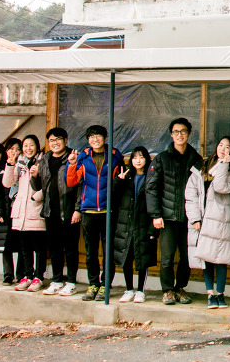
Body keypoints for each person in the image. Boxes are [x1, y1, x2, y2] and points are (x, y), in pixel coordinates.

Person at [147, 117, 204, 305]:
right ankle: (167, 290)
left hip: (190, 217)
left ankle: (180, 288)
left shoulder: (195, 159)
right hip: (167, 217)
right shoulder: (161, 158)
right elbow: (151, 188)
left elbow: (202, 189)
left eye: (183, 131)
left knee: (187, 257)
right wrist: (156, 215)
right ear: (171, 135)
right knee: (167, 257)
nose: (180, 135)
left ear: (189, 133)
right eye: (176, 132)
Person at [66, 125, 125, 302]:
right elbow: (71, 182)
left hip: (108, 210)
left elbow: (121, 181)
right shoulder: (83, 157)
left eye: (98, 136)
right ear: (88, 140)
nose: (95, 139)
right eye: (91, 137)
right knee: (91, 251)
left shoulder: (115, 156)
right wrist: (72, 164)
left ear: (105, 137)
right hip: (89, 210)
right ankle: (93, 284)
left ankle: (105, 285)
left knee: (108, 251)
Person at [186, 137, 230, 309]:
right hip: (202, 219)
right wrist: (195, 218)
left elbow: (220, 187)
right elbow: (190, 194)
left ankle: (220, 294)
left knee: (221, 258)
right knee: (206, 258)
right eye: (221, 145)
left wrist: (224, 164)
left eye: (227, 147)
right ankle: (210, 294)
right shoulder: (202, 167)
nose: (223, 149)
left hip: (221, 221)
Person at [34, 128, 81, 296]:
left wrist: (77, 209)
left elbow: (80, 185)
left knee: (70, 247)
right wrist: (34, 176)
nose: (55, 143)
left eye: (58, 139)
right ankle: (56, 280)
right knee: (54, 247)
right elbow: (38, 186)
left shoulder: (73, 157)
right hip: (50, 209)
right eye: (51, 140)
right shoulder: (44, 159)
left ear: (66, 140)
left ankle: (71, 282)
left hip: (68, 209)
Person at [113, 147, 158, 303]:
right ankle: (128, 289)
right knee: (126, 258)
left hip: (143, 224)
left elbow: (155, 203)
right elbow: (113, 197)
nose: (138, 161)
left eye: (141, 157)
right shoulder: (126, 177)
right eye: (134, 157)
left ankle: (140, 291)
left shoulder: (151, 177)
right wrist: (118, 181)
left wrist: (153, 229)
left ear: (146, 159)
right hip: (126, 224)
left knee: (142, 259)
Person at [3, 135, 47, 292]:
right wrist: (10, 164)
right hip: (21, 211)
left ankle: (38, 277)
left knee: (39, 247)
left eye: (31, 145)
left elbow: (48, 183)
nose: (28, 148)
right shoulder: (19, 164)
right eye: (26, 145)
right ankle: (28, 276)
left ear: (37, 146)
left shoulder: (43, 161)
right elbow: (7, 183)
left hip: (36, 208)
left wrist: (37, 197)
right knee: (25, 247)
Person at [0, 138, 19, 286]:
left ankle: (22, 274)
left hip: (19, 210)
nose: (14, 152)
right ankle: (8, 275)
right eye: (11, 149)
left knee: (21, 243)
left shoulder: (23, 166)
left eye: (17, 149)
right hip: (6, 211)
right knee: (6, 244)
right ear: (6, 151)